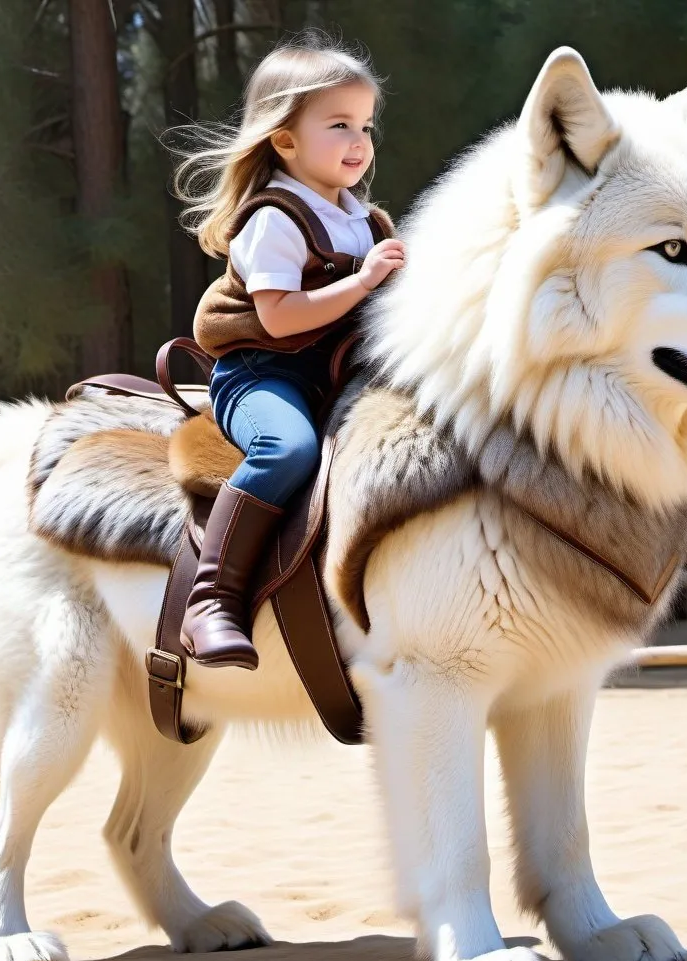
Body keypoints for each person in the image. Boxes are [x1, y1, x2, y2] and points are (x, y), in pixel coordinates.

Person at [171, 36, 404, 670]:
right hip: (262, 371)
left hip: (338, 371)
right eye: (338, 125)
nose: (359, 141)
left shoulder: (365, 221)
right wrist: (361, 283)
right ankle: (211, 599)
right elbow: (279, 317)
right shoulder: (273, 217)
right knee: (289, 449)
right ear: (283, 140)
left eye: (364, 125)